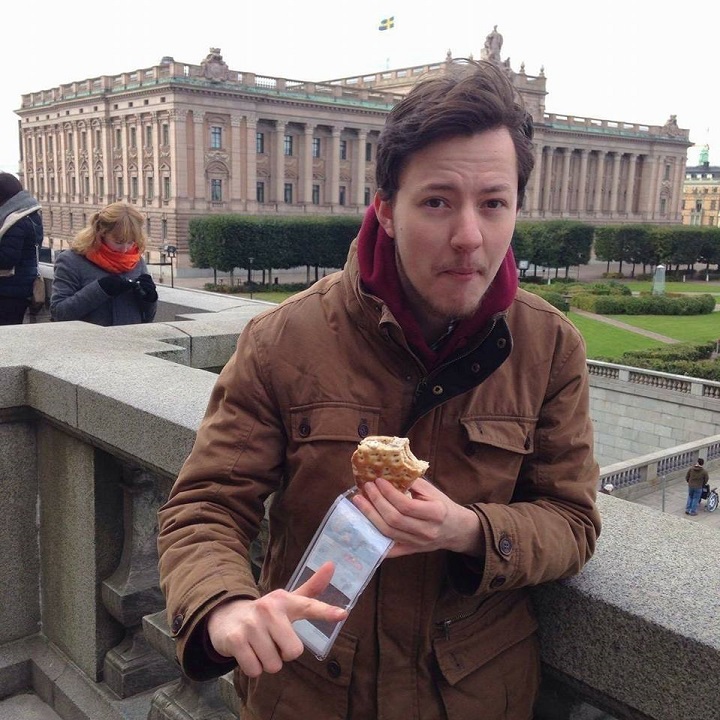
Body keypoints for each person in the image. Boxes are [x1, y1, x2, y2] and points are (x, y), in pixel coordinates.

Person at [157, 60, 600, 720]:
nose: (469, 237)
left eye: (494, 203)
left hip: (473, 697)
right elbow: (205, 505)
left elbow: (573, 521)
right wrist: (225, 607)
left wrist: (469, 530)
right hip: (309, 695)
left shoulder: (550, 346)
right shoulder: (283, 339)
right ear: (386, 209)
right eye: (438, 201)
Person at [50, 202, 157, 326]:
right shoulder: (71, 260)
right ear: (102, 233)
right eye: (119, 242)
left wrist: (149, 299)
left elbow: (148, 319)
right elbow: (59, 313)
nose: (125, 249)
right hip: (90, 342)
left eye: (131, 242)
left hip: (130, 341)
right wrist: (100, 289)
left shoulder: (136, 260)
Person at [0, 173, 44, 325]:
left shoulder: (16, 221)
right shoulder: (27, 215)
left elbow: (7, 258)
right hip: (16, 289)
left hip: (9, 291)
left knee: (6, 338)